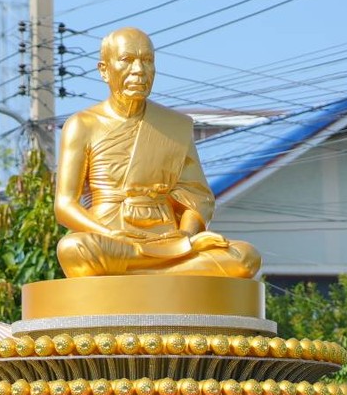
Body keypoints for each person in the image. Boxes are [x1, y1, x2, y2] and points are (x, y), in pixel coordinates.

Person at [52, 27, 261, 279]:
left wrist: (185, 237)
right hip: (111, 235)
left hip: (170, 240)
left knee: (245, 257)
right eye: (127, 60)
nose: (139, 70)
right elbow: (65, 205)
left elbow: (196, 197)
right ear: (104, 70)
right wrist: (109, 234)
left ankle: (143, 271)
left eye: (147, 61)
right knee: (73, 248)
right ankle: (166, 273)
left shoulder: (175, 125)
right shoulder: (82, 125)